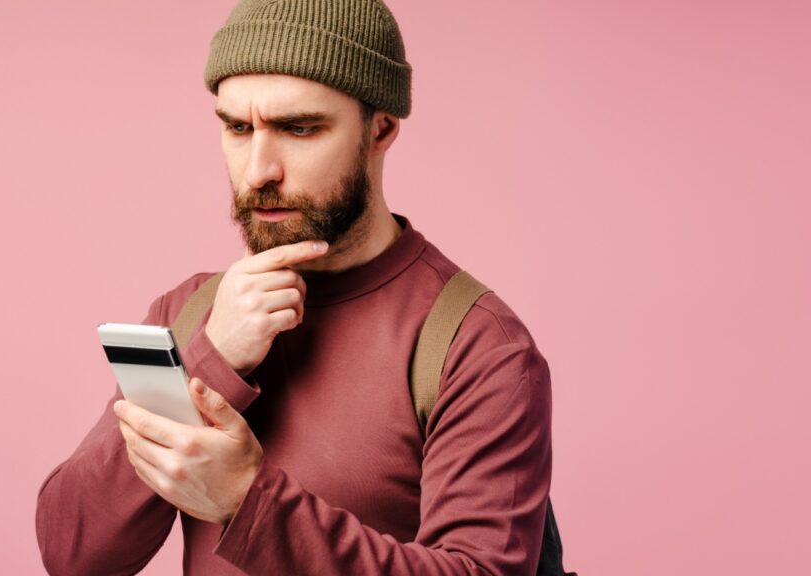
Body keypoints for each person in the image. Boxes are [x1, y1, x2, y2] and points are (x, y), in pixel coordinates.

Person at [36, 1, 554, 574]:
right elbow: (73, 555)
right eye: (238, 128)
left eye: (299, 128)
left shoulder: (478, 345)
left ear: (380, 129)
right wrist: (211, 362)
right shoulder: (191, 312)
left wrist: (245, 500)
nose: (259, 170)